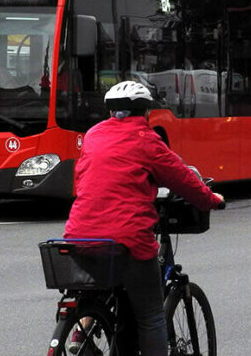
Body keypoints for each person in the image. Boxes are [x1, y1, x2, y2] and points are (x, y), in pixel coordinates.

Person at [63, 80, 225, 356]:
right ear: (144, 112)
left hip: (80, 235)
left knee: (102, 286)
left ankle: (83, 327)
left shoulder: (92, 135)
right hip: (127, 239)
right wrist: (212, 200)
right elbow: (181, 178)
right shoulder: (146, 139)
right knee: (150, 315)